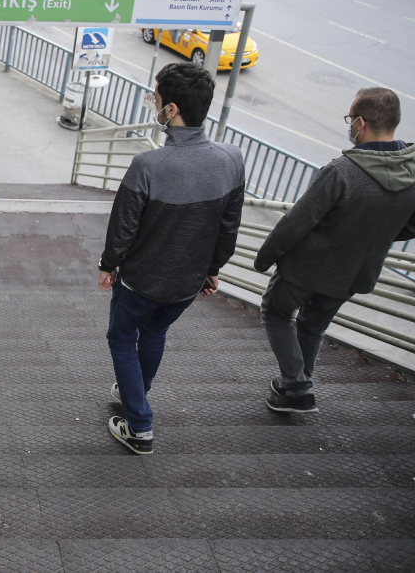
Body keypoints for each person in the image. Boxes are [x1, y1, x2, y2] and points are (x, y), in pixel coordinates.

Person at [97, 62, 245, 455]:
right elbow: (228, 227)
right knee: (156, 333)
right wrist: (212, 269)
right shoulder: (232, 159)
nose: (155, 105)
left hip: (141, 281)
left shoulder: (148, 165)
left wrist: (108, 265)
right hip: (187, 284)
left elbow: (123, 228)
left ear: (172, 110)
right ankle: (135, 393)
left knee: (122, 338)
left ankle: (140, 426)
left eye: (157, 99)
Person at [255, 88, 415, 413]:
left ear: (360, 122)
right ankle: (293, 388)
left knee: (276, 311)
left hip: (305, 269)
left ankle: (298, 388)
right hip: (353, 274)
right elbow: (410, 226)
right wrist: (370, 238)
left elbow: (296, 223)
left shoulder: (342, 172)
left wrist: (265, 258)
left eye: (349, 120)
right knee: (313, 326)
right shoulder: (411, 173)